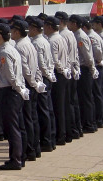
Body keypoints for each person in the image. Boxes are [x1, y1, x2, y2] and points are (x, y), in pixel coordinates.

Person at [0, 23, 29, 170]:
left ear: (0, 36)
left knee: (12, 127)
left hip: (10, 91)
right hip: (14, 91)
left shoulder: (5, 52)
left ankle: (16, 159)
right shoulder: (11, 49)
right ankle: (17, 157)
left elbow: (10, 75)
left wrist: (17, 88)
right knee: (17, 126)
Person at [12, 19, 45, 162]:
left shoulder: (19, 46)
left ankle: (29, 150)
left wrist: (31, 83)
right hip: (32, 83)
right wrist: (37, 82)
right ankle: (35, 148)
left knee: (26, 120)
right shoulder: (30, 44)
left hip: (26, 84)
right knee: (32, 118)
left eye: (13, 30)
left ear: (17, 32)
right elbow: (36, 66)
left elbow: (25, 69)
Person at [28, 16, 56, 154]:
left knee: (43, 110)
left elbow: (40, 63)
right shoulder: (44, 40)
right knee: (47, 109)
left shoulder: (37, 43)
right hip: (47, 77)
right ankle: (50, 138)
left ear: (34, 28)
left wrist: (43, 76)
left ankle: (46, 140)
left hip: (42, 78)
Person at [69, 15, 98, 134]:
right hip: (82, 69)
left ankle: (89, 123)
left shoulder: (80, 36)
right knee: (83, 98)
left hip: (84, 69)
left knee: (86, 98)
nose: (68, 25)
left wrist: (92, 68)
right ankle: (87, 122)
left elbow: (87, 55)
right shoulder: (76, 35)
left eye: (69, 23)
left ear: (75, 23)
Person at [45, 16, 69, 146]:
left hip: (58, 74)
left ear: (49, 26)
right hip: (63, 73)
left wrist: (60, 69)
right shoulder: (60, 37)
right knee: (61, 105)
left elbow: (54, 60)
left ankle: (60, 135)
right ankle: (62, 133)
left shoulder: (53, 40)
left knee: (57, 107)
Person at [55, 11, 79, 139]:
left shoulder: (62, 35)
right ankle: (73, 130)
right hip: (70, 69)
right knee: (70, 102)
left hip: (65, 71)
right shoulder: (70, 34)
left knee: (63, 105)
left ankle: (67, 132)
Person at [86, 18, 103, 128]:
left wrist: (99, 60)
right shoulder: (96, 35)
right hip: (100, 66)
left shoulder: (91, 36)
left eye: (94, 23)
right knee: (100, 93)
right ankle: (102, 118)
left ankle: (99, 119)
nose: (93, 25)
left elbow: (98, 51)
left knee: (97, 94)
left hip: (97, 66)